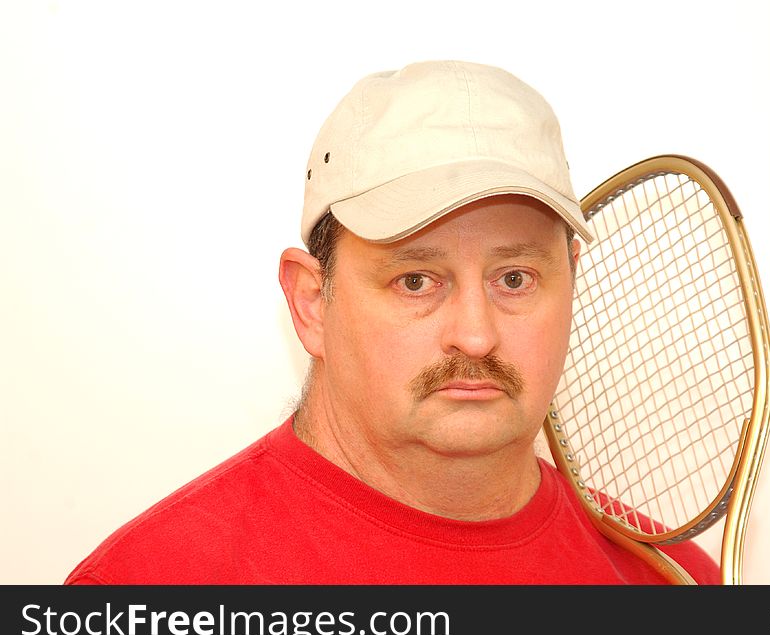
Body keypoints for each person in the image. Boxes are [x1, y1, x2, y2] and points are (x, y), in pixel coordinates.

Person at [65, 60, 720, 585]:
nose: (475, 333)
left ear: (573, 284)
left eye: (514, 278)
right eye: (416, 280)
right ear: (310, 302)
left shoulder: (672, 581)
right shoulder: (154, 591)